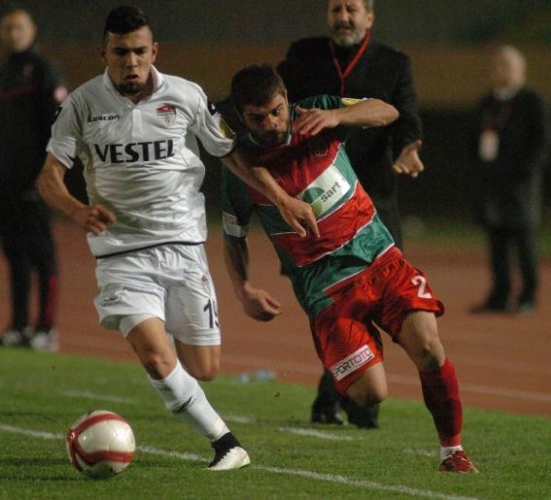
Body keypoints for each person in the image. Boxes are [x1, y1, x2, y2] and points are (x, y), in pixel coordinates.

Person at [36, 6, 316, 471]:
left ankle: (164, 351)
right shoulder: (82, 104)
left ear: (154, 51)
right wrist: (76, 209)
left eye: (139, 51)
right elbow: (49, 176)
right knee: (156, 356)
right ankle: (227, 444)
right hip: (122, 253)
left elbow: (231, 154)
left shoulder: (187, 95)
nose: (131, 61)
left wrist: (282, 199)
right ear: (104, 53)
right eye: (120, 52)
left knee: (204, 368)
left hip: (184, 248)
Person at [222, 64, 478, 473]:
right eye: (257, 118)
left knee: (429, 349)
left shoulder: (317, 113)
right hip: (325, 289)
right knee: (370, 394)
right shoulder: (240, 169)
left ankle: (453, 452)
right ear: (242, 116)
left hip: (379, 259)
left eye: (276, 111)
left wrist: (338, 116)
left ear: (286, 98)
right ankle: (359, 344)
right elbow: (233, 236)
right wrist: (243, 289)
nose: (270, 123)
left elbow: (387, 111)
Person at [277, 0, 425, 428]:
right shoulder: (303, 55)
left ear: (369, 17)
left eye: (352, 9)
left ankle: (342, 400)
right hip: (317, 204)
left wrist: (409, 147)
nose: (343, 16)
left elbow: (406, 117)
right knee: (335, 308)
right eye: (336, 9)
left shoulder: (393, 63)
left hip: (374, 202)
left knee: (377, 302)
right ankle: (348, 401)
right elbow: (274, 102)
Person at [0, 8, 67, 351]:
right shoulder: (0, 72)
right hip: (6, 177)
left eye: (19, 27)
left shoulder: (44, 69)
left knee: (42, 253)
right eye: (7, 28)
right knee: (14, 252)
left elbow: (58, 123)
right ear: (1, 34)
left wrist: (46, 171)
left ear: (32, 30)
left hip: (34, 178)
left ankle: (46, 329)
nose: (13, 33)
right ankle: (18, 326)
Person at [469, 45, 549, 315]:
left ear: (521, 70)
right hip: (492, 182)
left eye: (508, 65)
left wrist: (526, 171)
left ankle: (527, 296)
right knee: (497, 240)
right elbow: (473, 139)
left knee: (524, 240)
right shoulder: (487, 102)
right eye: (498, 65)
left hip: (521, 183)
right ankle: (499, 295)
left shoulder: (532, 101)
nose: (502, 70)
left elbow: (541, 140)